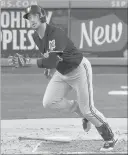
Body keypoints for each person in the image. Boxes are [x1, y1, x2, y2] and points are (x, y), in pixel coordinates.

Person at [12, 5, 118, 151]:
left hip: (80, 70)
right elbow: (48, 57)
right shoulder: (36, 36)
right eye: (29, 17)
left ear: (42, 16)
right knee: (49, 102)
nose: (31, 20)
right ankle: (78, 110)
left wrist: (28, 62)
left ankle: (110, 137)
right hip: (62, 73)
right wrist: (49, 70)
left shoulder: (56, 33)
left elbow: (51, 60)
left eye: (34, 16)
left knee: (89, 110)